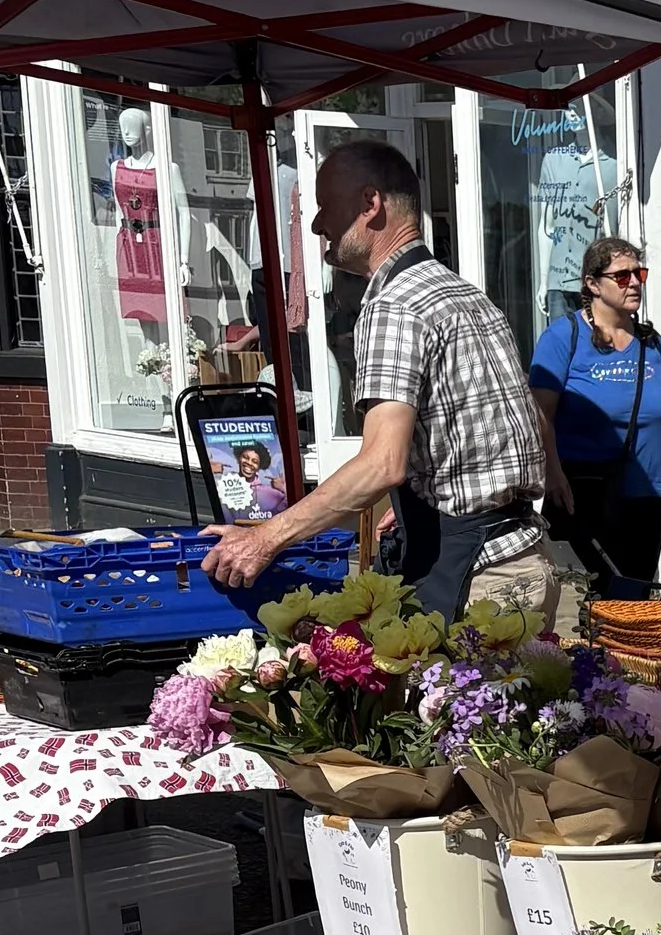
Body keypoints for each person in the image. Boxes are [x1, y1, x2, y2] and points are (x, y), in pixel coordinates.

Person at [202, 137, 557, 623]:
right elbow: (523, 421)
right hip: (526, 559)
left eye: (325, 205)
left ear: (370, 204)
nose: (316, 224)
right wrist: (421, 499)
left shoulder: (393, 305)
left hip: (480, 581)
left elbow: (381, 465)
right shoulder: (467, 295)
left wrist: (265, 537)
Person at [530, 234, 661, 591]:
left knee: (636, 596)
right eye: (622, 276)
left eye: (639, 274)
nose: (634, 283)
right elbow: (538, 414)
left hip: (646, 492)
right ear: (592, 284)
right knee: (600, 598)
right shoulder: (564, 337)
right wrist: (553, 473)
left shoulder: (650, 343)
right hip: (585, 495)